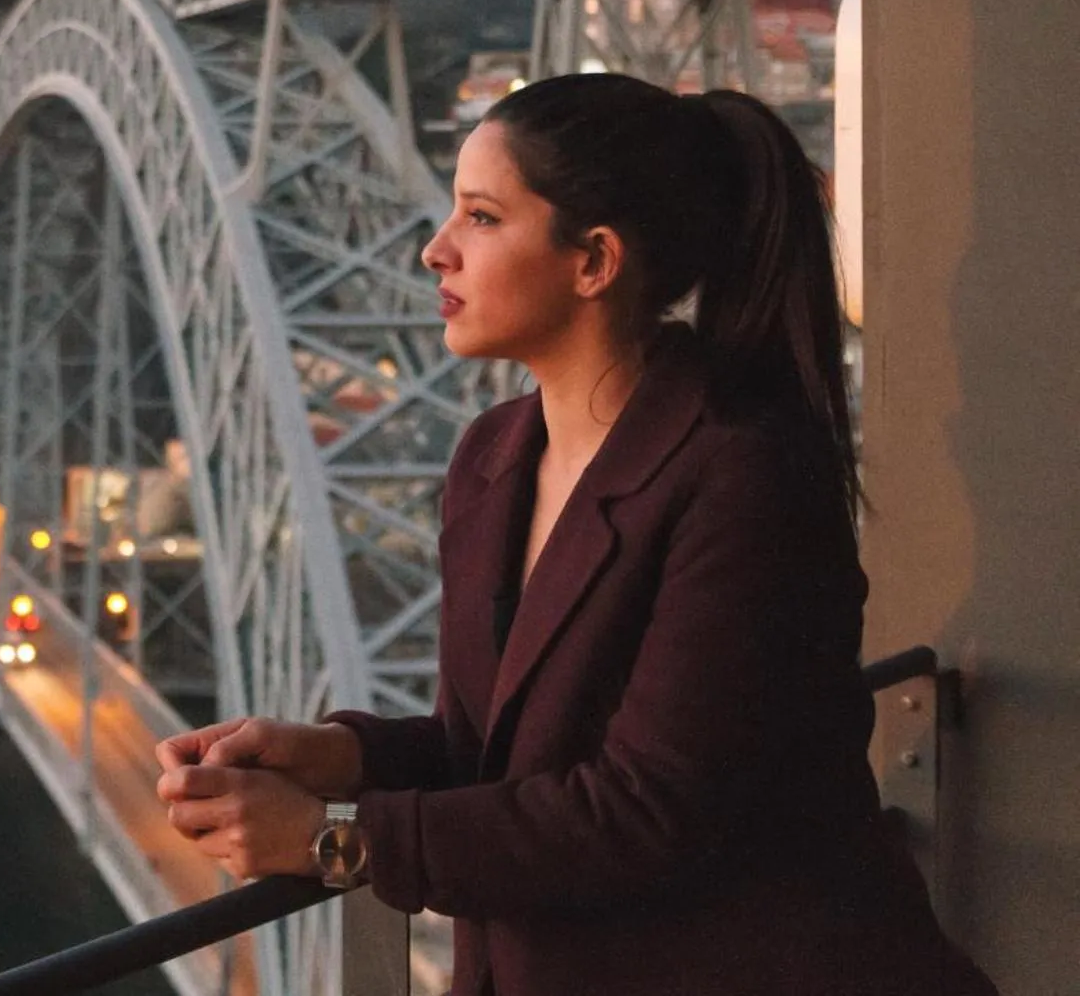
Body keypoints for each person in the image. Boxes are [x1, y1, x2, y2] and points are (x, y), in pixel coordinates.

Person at [154, 75, 997, 996]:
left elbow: (647, 810)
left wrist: (330, 840)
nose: (437, 250)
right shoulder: (493, 459)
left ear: (594, 260)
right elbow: (500, 751)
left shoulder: (743, 468)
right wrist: (333, 754)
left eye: (481, 217)